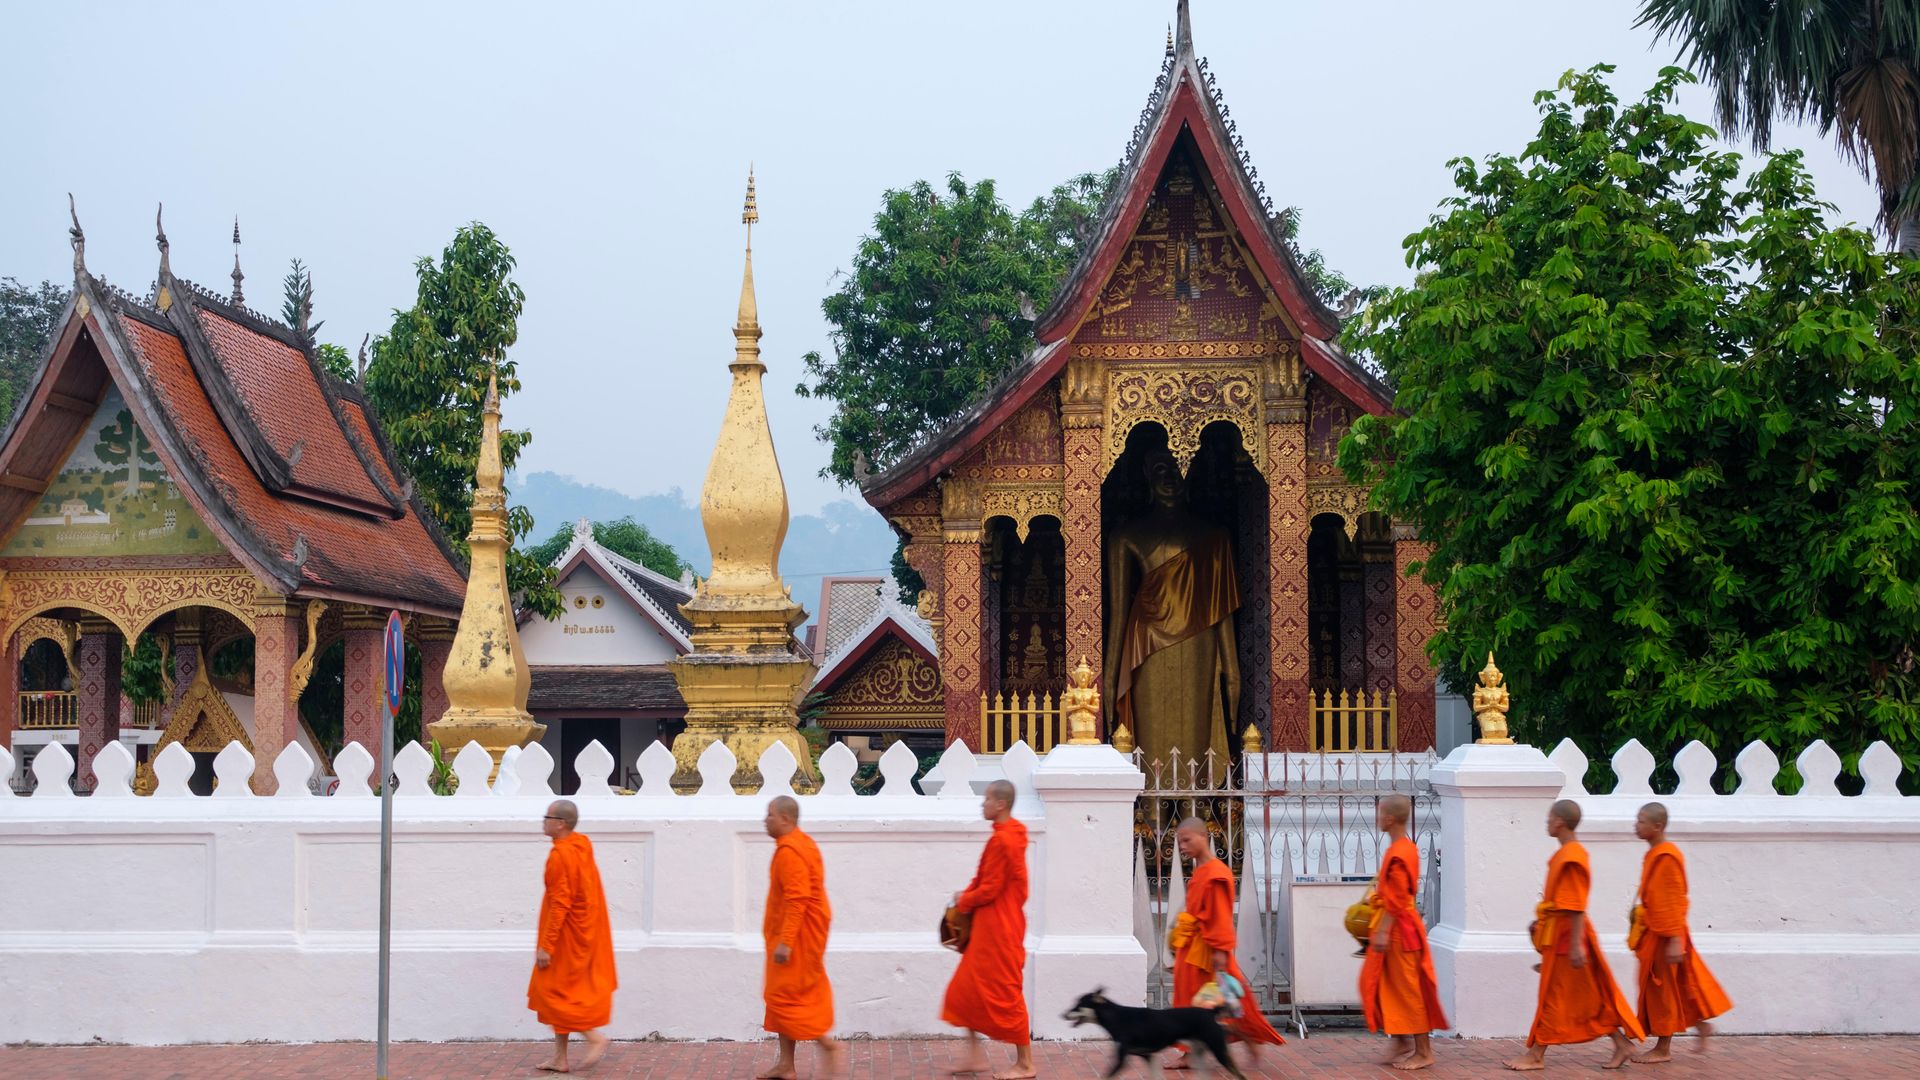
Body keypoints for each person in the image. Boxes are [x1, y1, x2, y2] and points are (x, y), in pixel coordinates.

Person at [1103, 447, 1242, 771]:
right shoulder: (1125, 536)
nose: (1170, 477)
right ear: (1147, 476)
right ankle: (1152, 806)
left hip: (1199, 642)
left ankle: (1195, 803)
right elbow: (1119, 612)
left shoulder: (1214, 536)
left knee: (1196, 724)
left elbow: (1220, 607)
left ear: (1191, 473)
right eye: (1161, 468)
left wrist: (1232, 670)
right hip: (1147, 643)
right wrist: (1109, 677)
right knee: (1152, 730)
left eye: (1179, 468)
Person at [1505, 800, 1644, 1071]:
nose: (1546, 823)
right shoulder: (1565, 854)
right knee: (1587, 996)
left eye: (1549, 818)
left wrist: (1577, 946)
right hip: (1560, 933)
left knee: (1554, 996)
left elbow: (1576, 906)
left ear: (1559, 822)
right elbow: (1563, 904)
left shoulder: (1573, 856)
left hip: (1569, 936)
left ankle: (1536, 1054)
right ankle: (1621, 1044)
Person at [1168, 817, 1284, 1070]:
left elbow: (1220, 916)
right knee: (1193, 1003)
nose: (1183, 846)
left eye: (1187, 840)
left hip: (1209, 953)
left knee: (1226, 1003)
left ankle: (1249, 1036)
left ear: (1203, 836)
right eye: (1179, 842)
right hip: (1192, 952)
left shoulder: (1216, 873)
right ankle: (1190, 1052)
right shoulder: (1201, 872)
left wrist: (1220, 950)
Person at [941, 780, 1035, 1079]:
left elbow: (991, 888)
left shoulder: (1006, 840)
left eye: (987, 799)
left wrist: (964, 900)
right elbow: (983, 877)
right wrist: (965, 896)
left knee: (1006, 992)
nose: (982, 804)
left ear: (1001, 804)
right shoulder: (1006, 835)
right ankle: (974, 1056)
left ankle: (1025, 1063)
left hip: (999, 927)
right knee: (963, 991)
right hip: (989, 925)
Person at [1630, 802, 1732, 1063]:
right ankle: (1701, 1025)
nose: (1636, 825)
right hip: (1658, 932)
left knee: (1662, 991)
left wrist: (1675, 940)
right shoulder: (1654, 854)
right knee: (1679, 986)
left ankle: (1663, 1049)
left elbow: (1674, 899)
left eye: (1641, 821)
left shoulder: (1667, 856)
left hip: (1668, 934)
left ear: (1658, 826)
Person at [759, 796, 844, 1080]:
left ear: (785, 819)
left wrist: (786, 941)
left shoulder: (791, 852)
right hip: (794, 935)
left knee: (788, 999)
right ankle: (786, 1064)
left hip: (796, 939)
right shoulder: (801, 843)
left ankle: (827, 1044)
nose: (765, 820)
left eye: (770, 815)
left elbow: (798, 900)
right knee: (781, 996)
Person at [528, 799, 616, 1074]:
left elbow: (561, 903)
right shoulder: (581, 845)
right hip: (581, 932)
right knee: (562, 990)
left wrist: (547, 945)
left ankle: (593, 1037)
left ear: (560, 823)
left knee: (556, 994)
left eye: (547, 817)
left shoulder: (562, 855)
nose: (543, 821)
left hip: (564, 937)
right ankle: (559, 1058)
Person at [1360, 794, 1446, 1071]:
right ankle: (1400, 1040)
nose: (1377, 818)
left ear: (1389, 818)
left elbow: (1398, 898)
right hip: (1396, 925)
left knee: (1409, 991)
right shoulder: (1401, 847)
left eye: (1380, 813)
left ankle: (1424, 1051)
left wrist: (1383, 931)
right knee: (1383, 986)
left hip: (1399, 929)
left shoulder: (1400, 851)